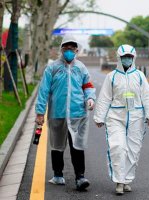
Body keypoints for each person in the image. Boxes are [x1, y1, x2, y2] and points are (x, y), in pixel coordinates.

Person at [94, 44, 149, 195]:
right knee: (118, 147)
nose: (127, 59)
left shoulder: (140, 76)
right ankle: (119, 181)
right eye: (124, 57)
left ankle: (127, 179)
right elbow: (104, 98)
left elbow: (147, 97)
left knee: (133, 150)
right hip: (115, 117)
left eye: (130, 57)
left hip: (136, 117)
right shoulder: (112, 77)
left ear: (133, 58)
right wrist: (99, 117)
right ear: (119, 58)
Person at [35, 34, 96, 191]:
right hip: (57, 113)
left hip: (78, 114)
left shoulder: (81, 68)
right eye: (66, 48)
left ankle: (80, 177)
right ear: (61, 49)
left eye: (72, 48)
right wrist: (40, 112)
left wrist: (90, 98)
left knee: (77, 146)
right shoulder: (52, 68)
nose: (69, 51)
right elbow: (43, 91)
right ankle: (57, 175)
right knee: (57, 146)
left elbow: (88, 85)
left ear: (76, 50)